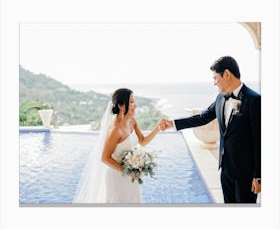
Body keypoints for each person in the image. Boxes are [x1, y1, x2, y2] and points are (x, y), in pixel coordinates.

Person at [164, 56, 261, 203]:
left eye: (215, 78)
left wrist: (259, 176)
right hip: (225, 171)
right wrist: (173, 124)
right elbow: (202, 118)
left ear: (227, 74)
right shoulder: (220, 98)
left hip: (246, 174)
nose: (214, 82)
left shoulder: (254, 100)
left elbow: (259, 140)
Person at [73, 88, 165, 203]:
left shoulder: (132, 121)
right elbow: (105, 158)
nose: (135, 105)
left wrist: (157, 129)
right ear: (121, 106)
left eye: (134, 101)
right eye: (131, 102)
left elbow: (142, 141)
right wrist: (126, 171)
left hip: (132, 176)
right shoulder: (115, 130)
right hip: (117, 177)